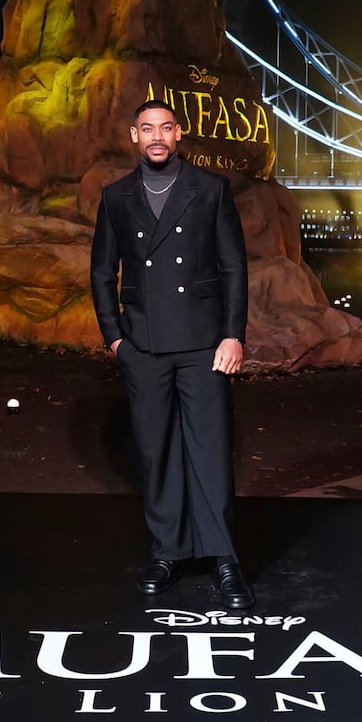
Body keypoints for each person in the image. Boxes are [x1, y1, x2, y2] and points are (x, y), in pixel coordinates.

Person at [89, 99, 253, 610]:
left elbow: (233, 268)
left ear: (178, 134)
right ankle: (166, 552)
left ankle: (224, 558)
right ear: (133, 136)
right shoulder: (115, 196)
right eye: (147, 129)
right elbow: (101, 273)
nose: (156, 136)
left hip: (204, 343)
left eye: (165, 127)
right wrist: (117, 339)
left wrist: (234, 335)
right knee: (156, 452)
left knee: (209, 449)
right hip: (145, 346)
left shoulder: (210, 189)